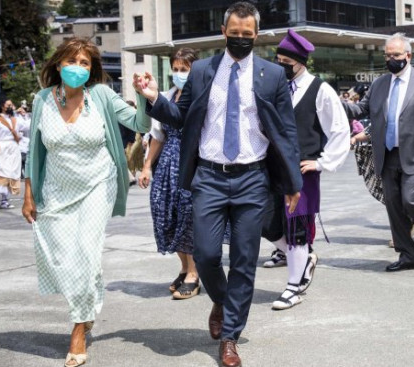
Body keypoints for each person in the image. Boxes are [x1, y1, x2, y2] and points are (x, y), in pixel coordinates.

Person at [133, 3, 302, 366]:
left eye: (248, 34)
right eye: (235, 33)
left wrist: (292, 182)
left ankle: (230, 337)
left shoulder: (273, 75)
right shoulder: (204, 71)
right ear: (224, 31)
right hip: (208, 176)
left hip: (253, 179)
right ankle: (222, 300)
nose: (241, 39)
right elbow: (180, 117)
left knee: (244, 259)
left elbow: (287, 132)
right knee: (207, 255)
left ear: (257, 35)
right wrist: (154, 100)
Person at [21, 38, 151, 367]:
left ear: (91, 70)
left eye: (85, 63)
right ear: (58, 64)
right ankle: (87, 303)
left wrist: (142, 95)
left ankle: (78, 330)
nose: (78, 68)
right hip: (56, 190)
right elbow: (34, 150)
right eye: (72, 61)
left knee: (85, 253)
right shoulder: (41, 100)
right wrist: (29, 193)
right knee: (66, 260)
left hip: (97, 185)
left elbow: (140, 125)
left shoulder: (102, 96)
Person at [342, 32, 414, 272]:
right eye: (387, 55)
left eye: (396, 55)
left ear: (408, 56)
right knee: (393, 205)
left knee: (411, 200)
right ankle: (407, 255)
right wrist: (333, 101)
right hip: (387, 153)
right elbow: (361, 108)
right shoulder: (380, 83)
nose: (391, 59)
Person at [259, 30, 350, 310]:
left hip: (302, 169)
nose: (281, 65)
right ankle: (305, 258)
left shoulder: (320, 89)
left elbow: (339, 129)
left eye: (286, 60)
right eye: (279, 59)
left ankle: (292, 286)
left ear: (301, 62)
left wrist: (321, 162)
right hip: (271, 165)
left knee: (297, 226)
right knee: (265, 220)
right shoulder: (276, 87)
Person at [138, 48, 200, 300]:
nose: (178, 73)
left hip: (191, 161)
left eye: (184, 69)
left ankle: (195, 274)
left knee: (189, 216)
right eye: (175, 69)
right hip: (167, 165)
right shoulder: (166, 96)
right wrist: (146, 165)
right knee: (166, 214)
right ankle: (184, 267)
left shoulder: (200, 97)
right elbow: (157, 136)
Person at [0, 96, 29, 209]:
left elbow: (27, 127)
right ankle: (0, 197)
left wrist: (24, 115)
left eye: (11, 105)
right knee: (1, 172)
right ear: (2, 106)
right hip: (2, 148)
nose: (10, 107)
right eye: (8, 105)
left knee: (11, 173)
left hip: (14, 149)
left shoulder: (15, 119)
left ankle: (3, 197)